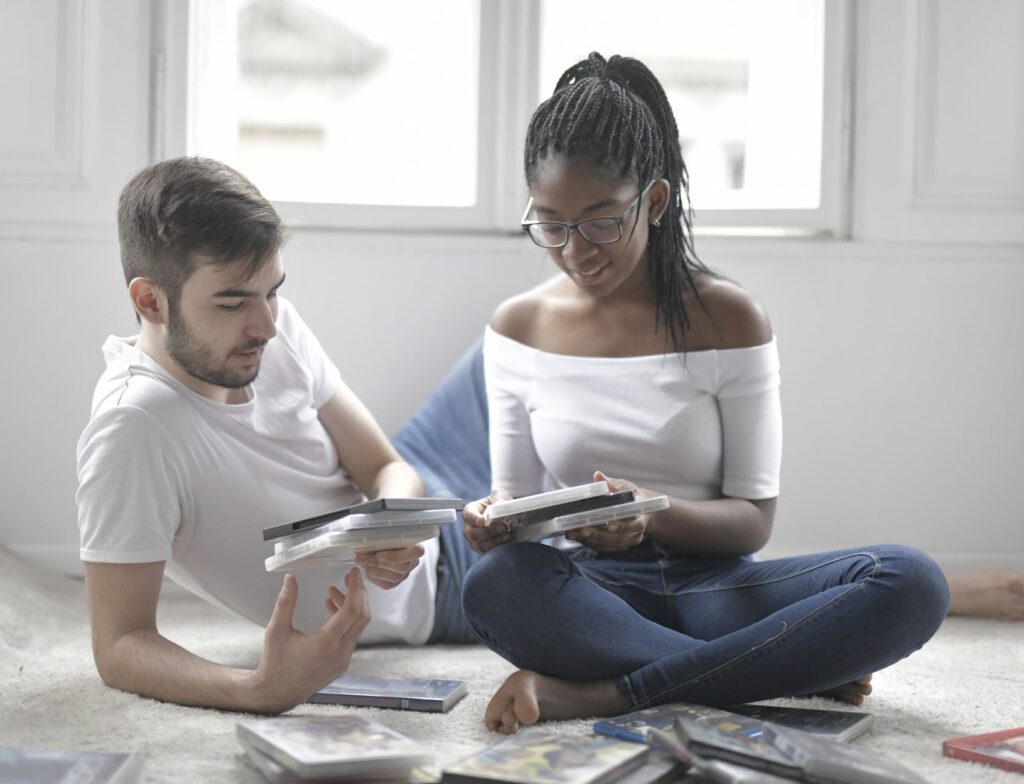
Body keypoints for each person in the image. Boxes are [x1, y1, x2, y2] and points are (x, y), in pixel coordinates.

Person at [459, 52, 951, 735]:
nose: (577, 250)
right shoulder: (518, 327)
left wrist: (649, 514)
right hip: (592, 594)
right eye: (551, 224)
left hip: (718, 588)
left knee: (912, 581)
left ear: (653, 202)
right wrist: (495, 518)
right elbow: (515, 506)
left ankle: (607, 694)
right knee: (493, 583)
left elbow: (753, 518)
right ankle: (772, 671)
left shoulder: (729, 316)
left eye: (602, 221)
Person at [76, 157, 481, 714]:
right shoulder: (134, 431)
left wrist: (396, 525)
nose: (267, 324)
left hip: (432, 479)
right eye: (233, 301)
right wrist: (257, 688)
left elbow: (388, 466)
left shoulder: (272, 325)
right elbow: (119, 646)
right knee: (598, 570)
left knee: (512, 342)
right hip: (446, 587)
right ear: (150, 301)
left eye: (272, 292)